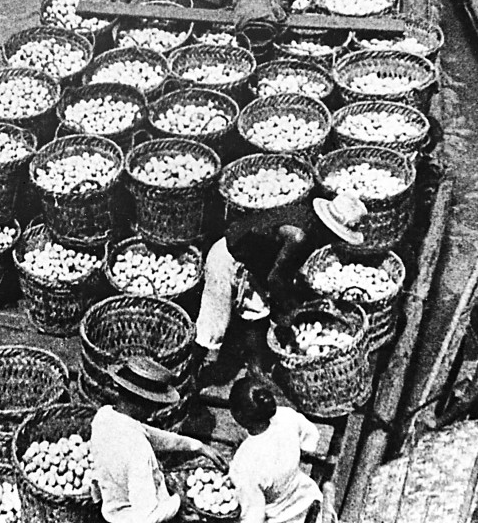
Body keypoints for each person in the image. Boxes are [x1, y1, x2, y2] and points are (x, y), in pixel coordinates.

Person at [192, 192, 368, 378]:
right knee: (212, 327)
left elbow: (280, 266)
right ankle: (193, 374)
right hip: (227, 258)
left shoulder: (309, 221)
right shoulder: (299, 237)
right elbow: (274, 279)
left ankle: (255, 369)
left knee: (256, 313)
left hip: (254, 263)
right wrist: (289, 312)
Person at [90, 356, 225, 523]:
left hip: (111, 508)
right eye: (154, 405)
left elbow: (150, 435)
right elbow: (148, 517)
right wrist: (178, 502)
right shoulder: (138, 451)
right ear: (143, 403)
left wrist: (198, 446)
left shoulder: (104, 416)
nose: (154, 413)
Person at [228, 377, 332, 523]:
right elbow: (311, 438)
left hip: (282, 518)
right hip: (307, 497)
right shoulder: (287, 416)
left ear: (238, 415)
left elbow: (254, 516)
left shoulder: (243, 464)